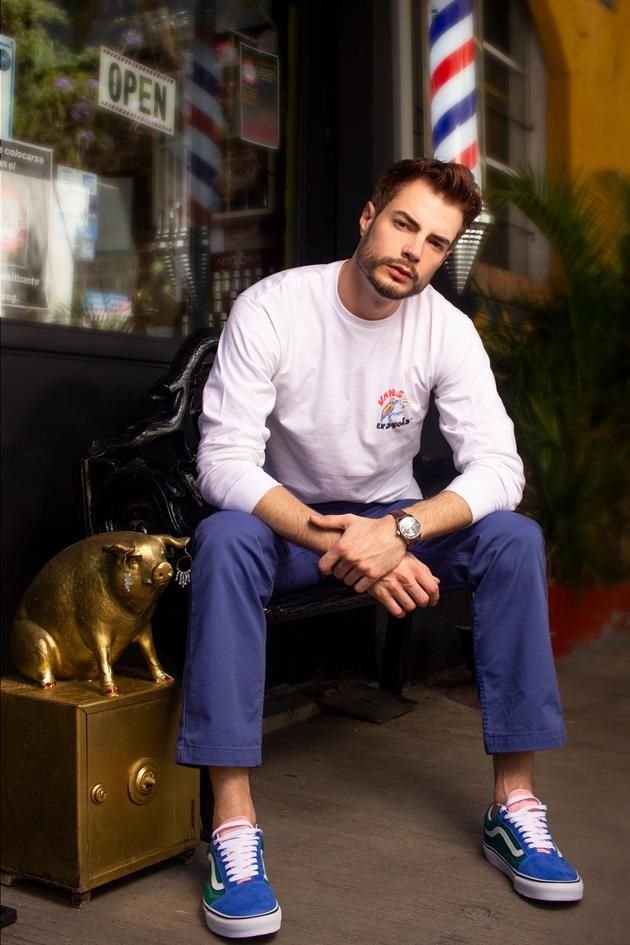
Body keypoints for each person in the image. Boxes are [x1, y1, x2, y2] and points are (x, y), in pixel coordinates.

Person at [176, 158, 583, 939]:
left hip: (395, 521)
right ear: (368, 217)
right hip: (291, 524)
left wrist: (397, 533)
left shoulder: (446, 330)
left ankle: (514, 805)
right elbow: (223, 460)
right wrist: (342, 538)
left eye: (436, 242)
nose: (414, 251)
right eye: (404, 225)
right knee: (223, 540)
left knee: (512, 540)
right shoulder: (275, 308)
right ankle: (232, 823)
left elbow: (501, 467)